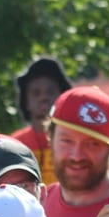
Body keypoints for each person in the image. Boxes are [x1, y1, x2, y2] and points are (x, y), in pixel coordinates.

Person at [42, 86, 109, 217]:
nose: (77, 155)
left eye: (92, 144)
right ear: (50, 137)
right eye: (66, 140)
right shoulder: (38, 204)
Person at [11, 58, 71, 187]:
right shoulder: (14, 145)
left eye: (50, 92)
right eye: (36, 93)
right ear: (25, 101)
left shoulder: (73, 141)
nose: (44, 97)